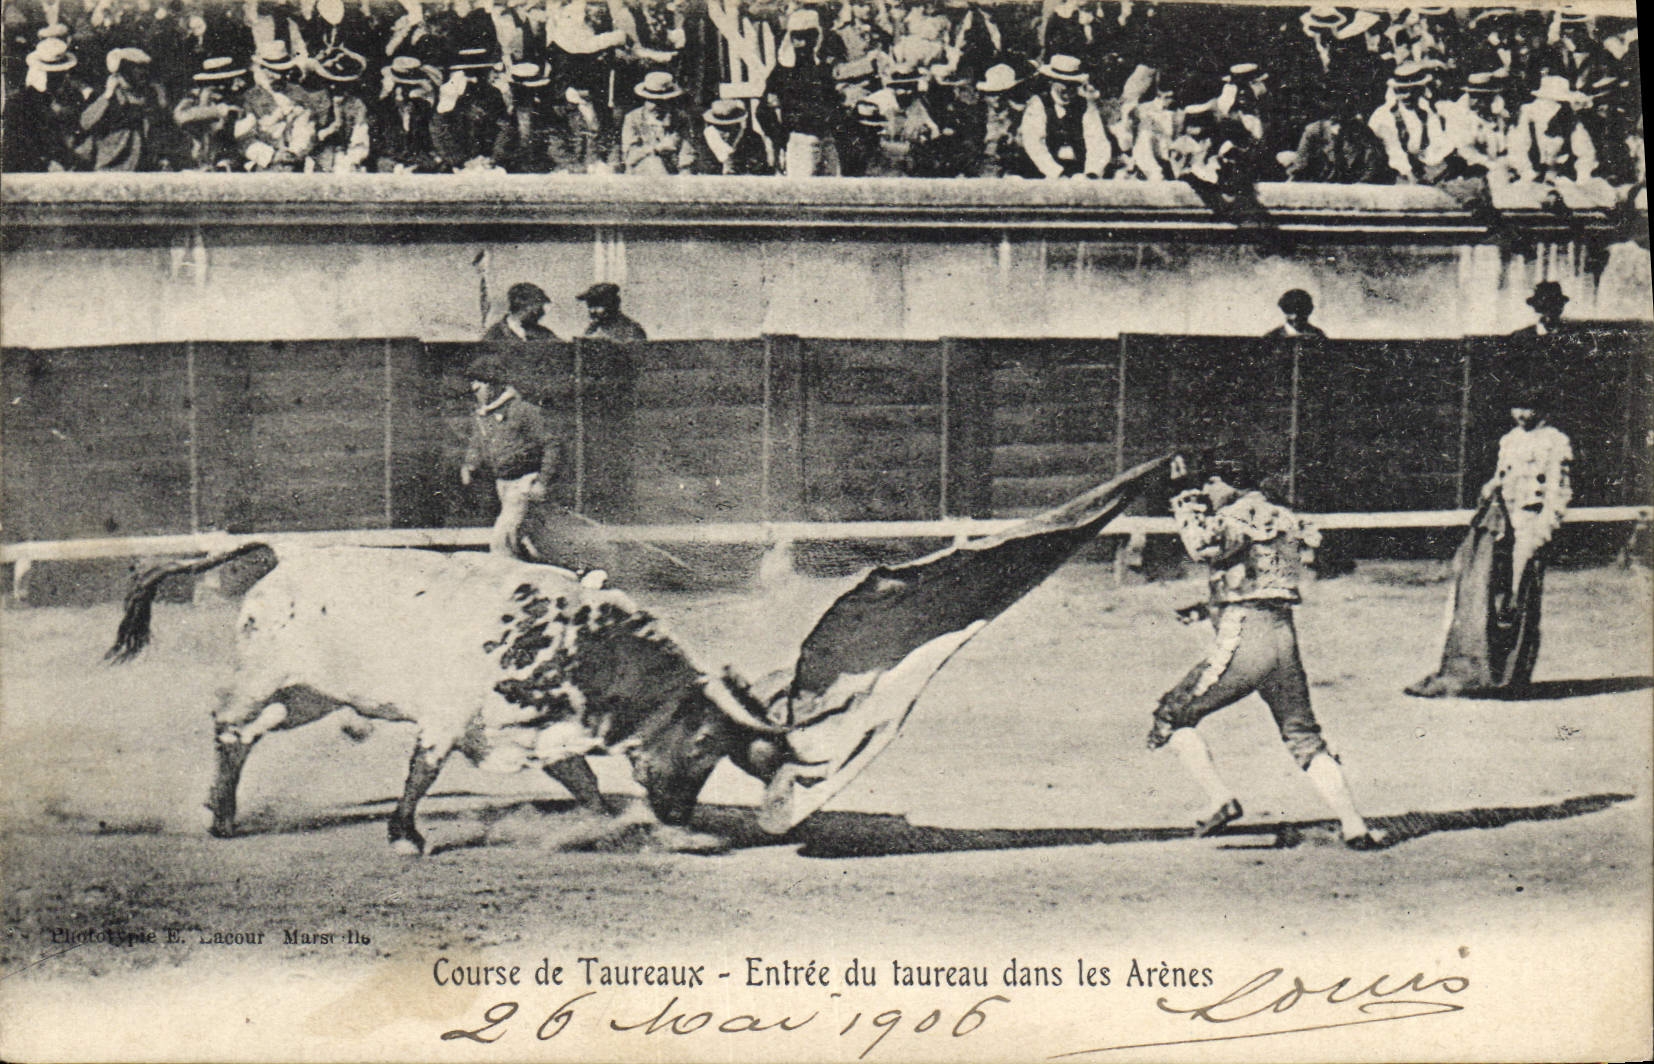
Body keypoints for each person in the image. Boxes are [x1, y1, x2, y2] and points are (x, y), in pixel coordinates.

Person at [1147, 446, 1386, 851]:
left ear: (1232, 481)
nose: (1208, 490)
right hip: (1282, 636)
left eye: (1212, 481)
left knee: (1172, 715)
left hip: (1246, 638)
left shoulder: (1237, 514)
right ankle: (1354, 825)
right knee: (1303, 736)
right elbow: (1261, 581)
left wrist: (1183, 499)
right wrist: (1209, 607)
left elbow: (1201, 546)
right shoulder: (1285, 516)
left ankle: (1219, 799)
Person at [1408, 387, 1571, 698]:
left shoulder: (1555, 442)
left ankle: (1514, 677)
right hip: (1502, 526)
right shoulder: (1510, 440)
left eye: (1528, 408)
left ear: (1542, 408)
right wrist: (1491, 485)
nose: (1521, 415)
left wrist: (1542, 533)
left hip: (1530, 524)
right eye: (1516, 407)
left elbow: (1558, 492)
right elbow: (1502, 475)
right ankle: (1488, 670)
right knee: (1487, 593)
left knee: (1516, 598)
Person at [460, 352, 564, 562]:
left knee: (503, 539)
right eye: (474, 382)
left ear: (496, 384)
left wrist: (542, 482)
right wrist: (470, 465)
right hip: (502, 485)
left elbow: (552, 444)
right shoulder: (483, 415)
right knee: (529, 539)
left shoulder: (524, 411)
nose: (475, 388)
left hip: (524, 483)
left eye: (482, 382)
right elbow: (476, 444)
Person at [1018, 53, 1108, 180]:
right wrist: (1057, 173)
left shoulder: (1085, 105)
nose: (1067, 89)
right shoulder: (1038, 104)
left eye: (1072, 84)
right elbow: (1034, 144)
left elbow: (1097, 141)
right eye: (1063, 83)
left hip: (1079, 170)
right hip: (1045, 171)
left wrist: (1092, 172)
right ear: (1052, 82)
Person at [619, 68, 697, 174]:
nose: (657, 106)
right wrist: (656, 149)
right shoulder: (633, 118)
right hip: (640, 169)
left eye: (662, 102)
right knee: (655, 163)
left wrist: (685, 171)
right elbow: (630, 154)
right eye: (652, 101)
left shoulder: (680, 118)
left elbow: (687, 151)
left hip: (672, 169)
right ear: (645, 99)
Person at [484, 282, 558, 341]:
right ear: (526, 307)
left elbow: (562, 350)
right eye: (538, 309)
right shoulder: (495, 334)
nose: (542, 313)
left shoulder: (543, 333)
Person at [577, 281, 646, 341]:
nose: (593, 311)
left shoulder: (630, 330)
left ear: (613, 305)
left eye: (598, 306)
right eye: (590, 306)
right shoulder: (592, 329)